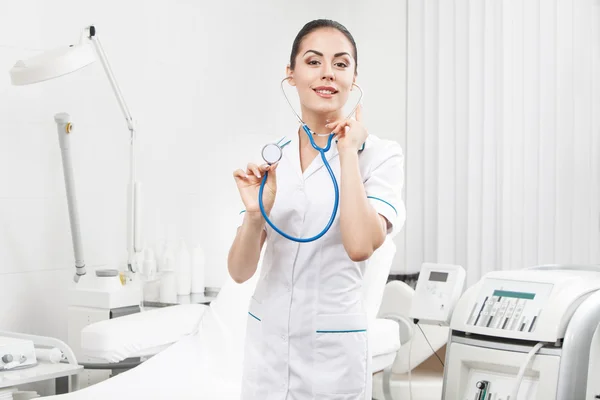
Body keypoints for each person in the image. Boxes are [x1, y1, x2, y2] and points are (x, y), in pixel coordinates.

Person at [228, 19, 405, 400]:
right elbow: (240, 271)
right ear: (290, 74)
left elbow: (360, 245)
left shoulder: (379, 156)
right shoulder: (273, 159)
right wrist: (256, 216)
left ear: (354, 78)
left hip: (332, 358)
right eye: (313, 61)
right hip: (267, 352)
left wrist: (346, 153)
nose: (327, 73)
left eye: (341, 64)